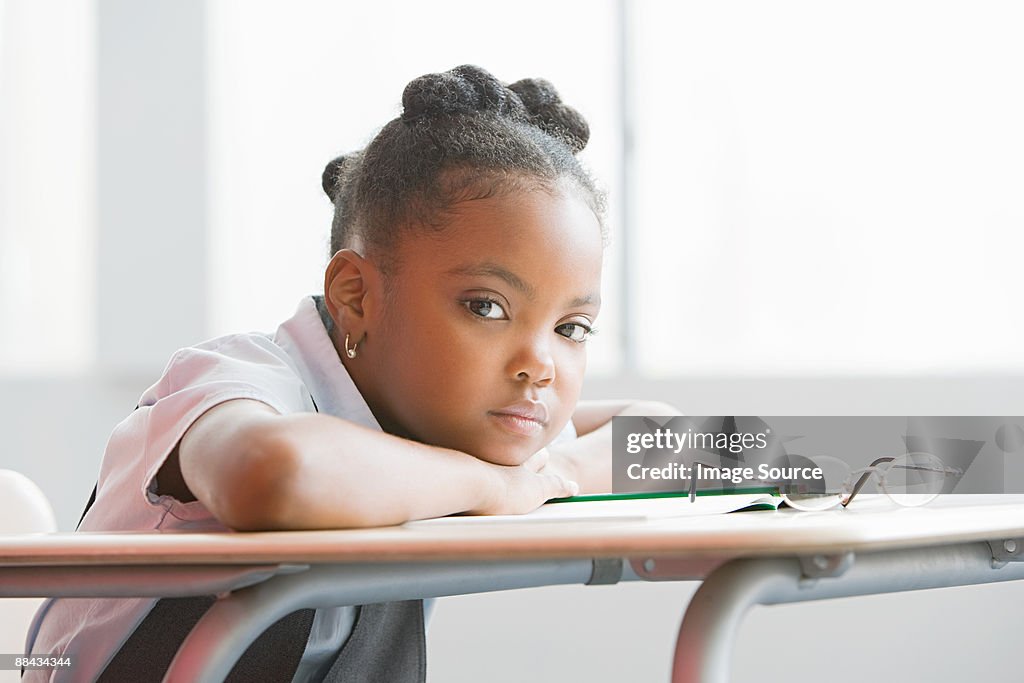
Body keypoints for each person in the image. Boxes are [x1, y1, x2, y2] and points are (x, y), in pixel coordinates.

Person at [25, 64, 674, 682]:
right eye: (487, 307)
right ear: (357, 296)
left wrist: (553, 473)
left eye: (572, 328)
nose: (540, 363)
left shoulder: (453, 412)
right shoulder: (239, 378)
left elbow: (712, 443)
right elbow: (276, 475)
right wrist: (495, 486)